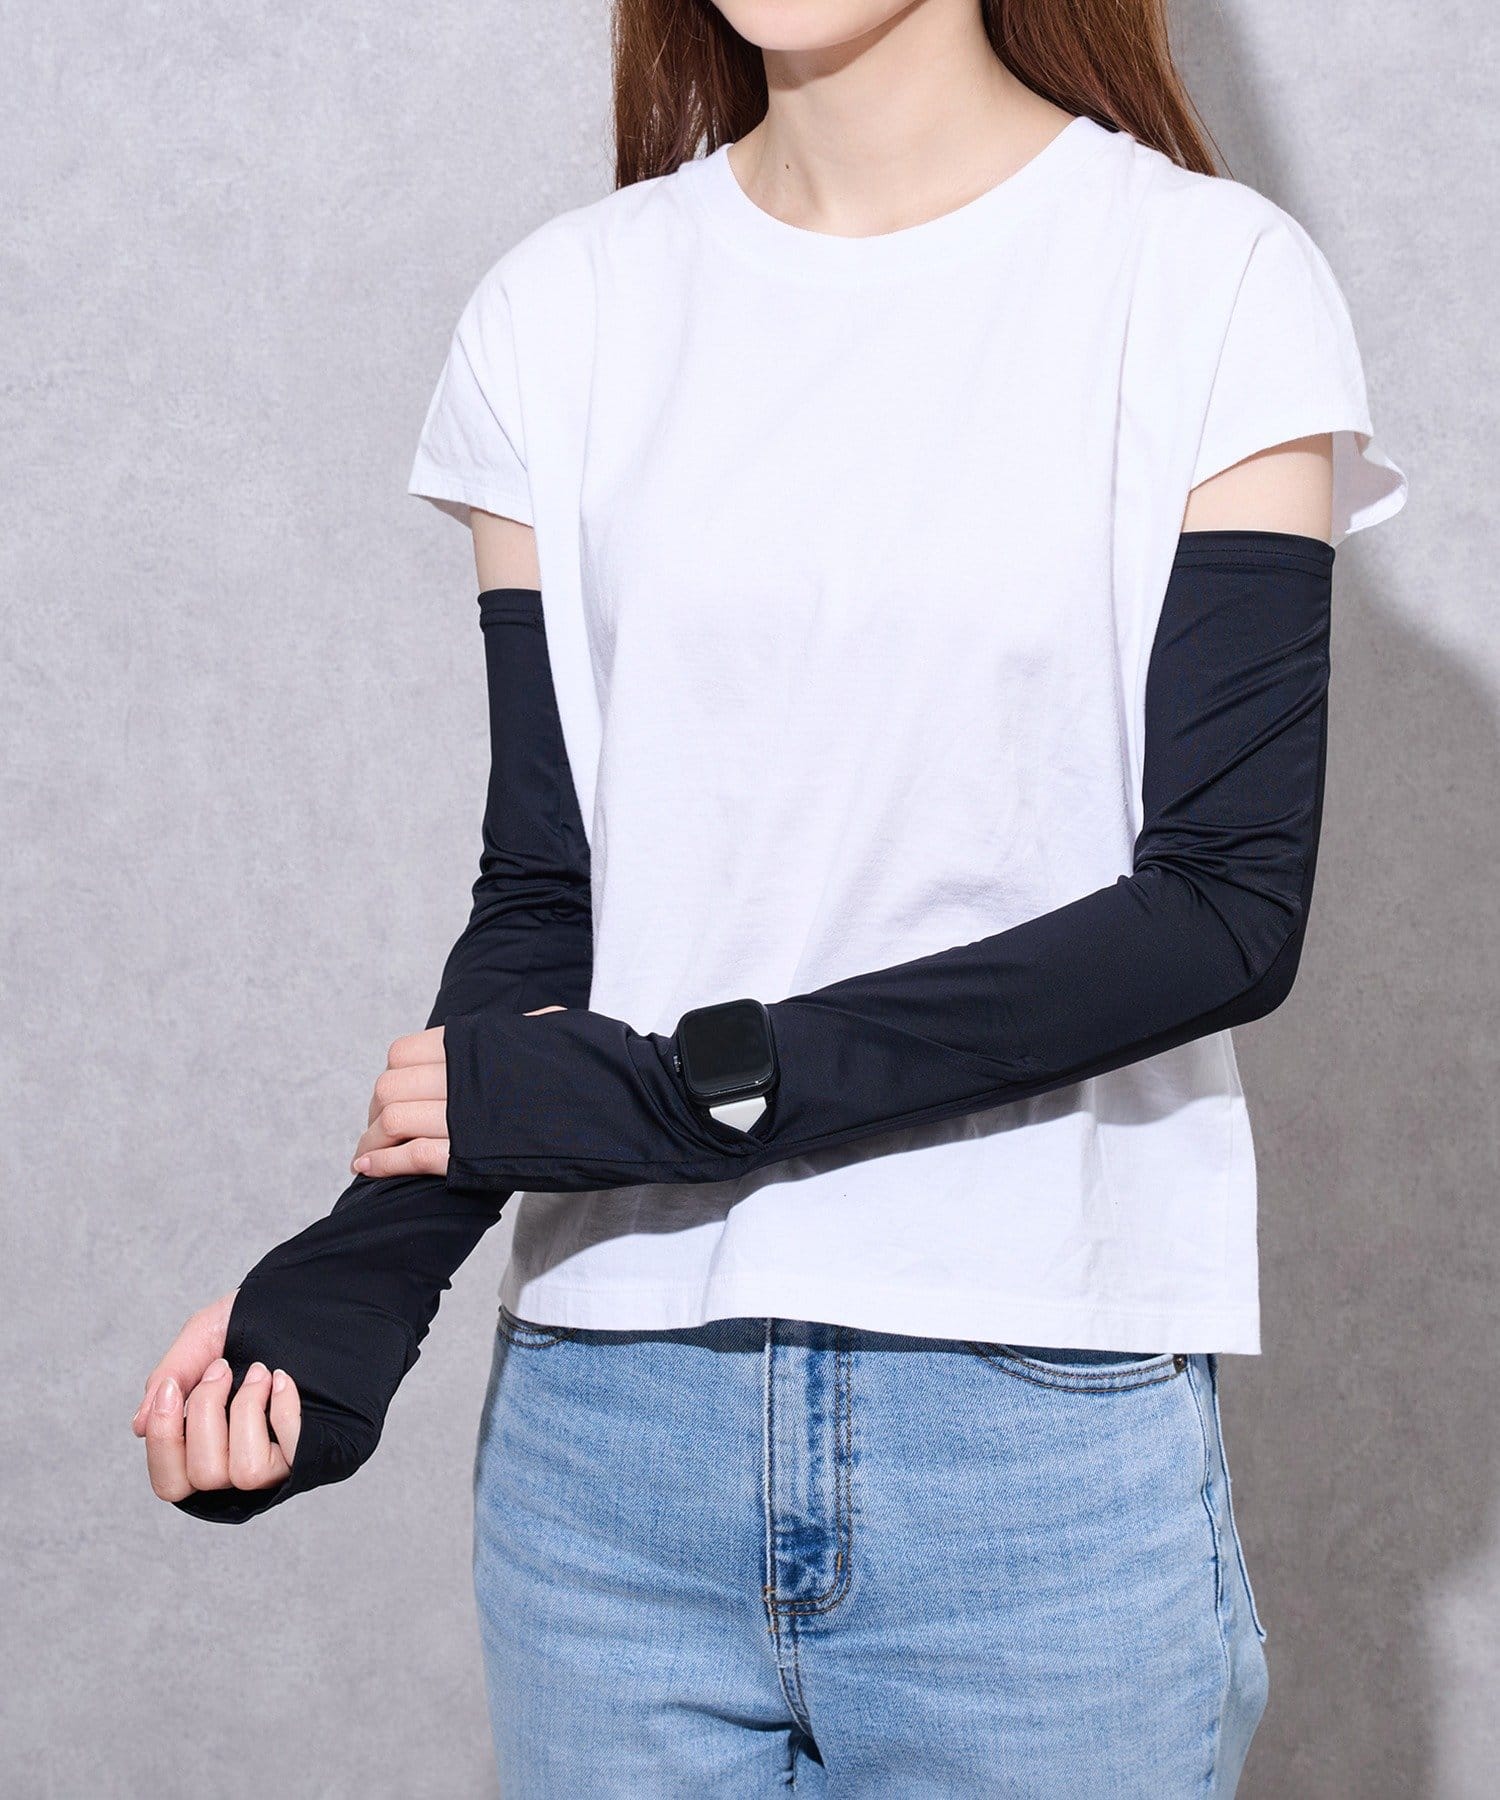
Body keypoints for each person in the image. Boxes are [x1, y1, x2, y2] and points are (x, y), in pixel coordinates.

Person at [135, 1, 1407, 1790]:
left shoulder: (1210, 283)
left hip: (1029, 1437)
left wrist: (693, 1093)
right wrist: (356, 1287)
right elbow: (554, 894)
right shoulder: (559, 312)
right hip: (606, 1448)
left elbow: (1223, 908)